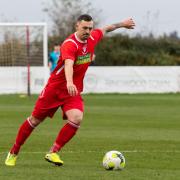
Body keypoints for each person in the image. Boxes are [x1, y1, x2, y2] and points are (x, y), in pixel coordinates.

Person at [5, 14, 135, 166]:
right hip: (55, 89)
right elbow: (68, 64)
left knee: (76, 118)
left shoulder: (93, 37)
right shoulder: (70, 44)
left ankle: (53, 152)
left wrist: (123, 24)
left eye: (90, 28)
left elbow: (106, 28)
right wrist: (69, 82)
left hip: (71, 91)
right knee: (35, 120)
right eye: (84, 28)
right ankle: (13, 152)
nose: (88, 31)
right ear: (77, 26)